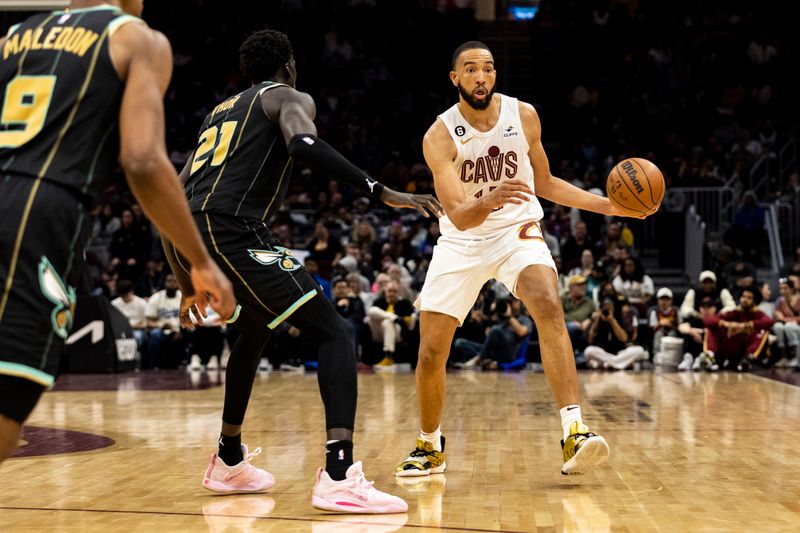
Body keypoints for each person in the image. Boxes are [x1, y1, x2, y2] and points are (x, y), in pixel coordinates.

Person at [164, 29, 441, 512]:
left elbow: (171, 199)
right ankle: (338, 474)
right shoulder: (287, 96)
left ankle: (228, 460)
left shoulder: (218, 114)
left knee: (253, 330)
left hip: (196, 233)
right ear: (288, 64)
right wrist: (381, 189)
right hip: (233, 229)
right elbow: (303, 145)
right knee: (335, 332)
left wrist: (188, 281)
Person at [397, 41, 647, 478]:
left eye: (488, 69)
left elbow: (545, 183)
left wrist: (607, 205)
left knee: (548, 302)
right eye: (471, 69)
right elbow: (458, 214)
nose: (481, 77)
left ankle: (575, 430)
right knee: (432, 352)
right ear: (455, 78)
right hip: (462, 240)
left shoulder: (524, 115)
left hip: (517, 231)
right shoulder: (439, 136)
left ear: (495, 75)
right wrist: (491, 198)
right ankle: (429, 446)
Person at [0, 0, 235, 465]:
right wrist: (201, 262)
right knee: (6, 408)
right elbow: (142, 160)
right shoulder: (134, 37)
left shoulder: (14, 37)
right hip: (39, 213)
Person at [701, 286, 773, 372]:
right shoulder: (734, 312)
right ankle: (709, 356)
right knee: (711, 328)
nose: (745, 299)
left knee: (763, 331)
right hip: (733, 349)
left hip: (749, 350)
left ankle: (748, 359)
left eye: (749, 297)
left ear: (754, 300)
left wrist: (745, 326)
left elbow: (769, 322)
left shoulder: (758, 314)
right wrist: (725, 324)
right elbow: (708, 320)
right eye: (743, 296)